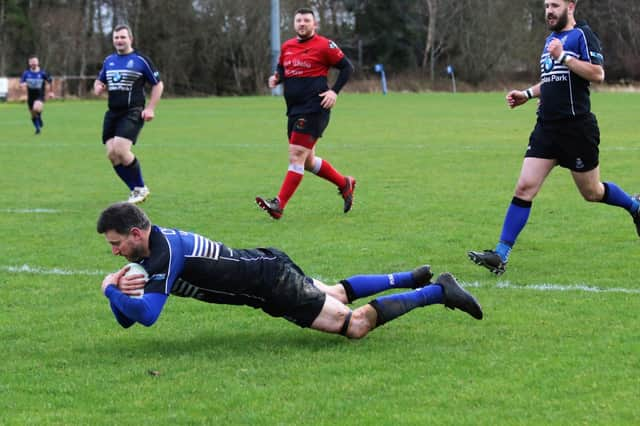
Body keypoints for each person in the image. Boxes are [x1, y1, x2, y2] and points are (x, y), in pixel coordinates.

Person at [97, 202, 483, 338]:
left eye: (116, 244)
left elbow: (146, 317)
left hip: (270, 283)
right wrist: (118, 289)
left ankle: (437, 291)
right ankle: (408, 278)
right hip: (265, 264)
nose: (115, 253)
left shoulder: (161, 253)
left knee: (354, 326)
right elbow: (127, 321)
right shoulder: (150, 252)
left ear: (135, 233)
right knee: (333, 293)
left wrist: (110, 290)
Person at [468, 0, 640, 275]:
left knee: (592, 192)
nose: (549, 11)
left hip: (577, 129)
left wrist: (564, 56)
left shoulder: (582, 35)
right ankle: (500, 255)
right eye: (546, 5)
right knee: (524, 188)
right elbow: (551, 79)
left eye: (555, 5)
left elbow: (598, 74)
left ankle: (635, 206)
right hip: (547, 128)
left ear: (571, 6)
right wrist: (527, 94)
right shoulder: (550, 40)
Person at [256, 8, 356, 220]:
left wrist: (334, 92)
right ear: (294, 24)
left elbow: (347, 68)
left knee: (296, 155)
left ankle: (278, 204)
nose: (302, 24)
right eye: (299, 20)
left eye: (306, 20)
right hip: (293, 110)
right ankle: (344, 183)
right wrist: (276, 79)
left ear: (314, 24)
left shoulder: (324, 45)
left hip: (315, 107)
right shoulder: (287, 47)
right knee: (308, 161)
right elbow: (283, 70)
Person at [94, 24, 163, 205]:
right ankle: (135, 189)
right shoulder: (109, 60)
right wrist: (98, 87)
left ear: (130, 39)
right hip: (112, 112)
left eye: (123, 37)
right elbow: (99, 81)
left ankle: (140, 187)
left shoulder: (141, 60)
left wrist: (150, 108)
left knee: (121, 150)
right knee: (111, 154)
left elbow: (158, 84)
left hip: (133, 111)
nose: (119, 40)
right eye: (116, 37)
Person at [19, 55, 53, 135]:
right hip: (30, 97)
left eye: (35, 62)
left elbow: (50, 81)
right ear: (29, 63)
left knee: (36, 108)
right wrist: (23, 92)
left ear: (38, 63)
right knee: (33, 115)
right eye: (32, 62)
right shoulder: (26, 73)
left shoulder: (42, 73)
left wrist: (51, 92)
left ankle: (39, 117)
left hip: (40, 96)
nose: (34, 63)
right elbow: (22, 83)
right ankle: (38, 129)